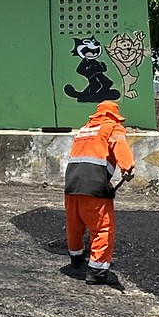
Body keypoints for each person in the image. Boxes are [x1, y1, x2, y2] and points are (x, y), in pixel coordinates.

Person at [62, 100, 134, 289]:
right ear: (115, 115)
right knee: (102, 227)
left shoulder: (84, 130)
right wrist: (128, 167)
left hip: (71, 184)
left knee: (75, 223)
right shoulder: (112, 128)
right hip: (94, 186)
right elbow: (119, 145)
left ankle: (76, 259)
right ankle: (97, 272)